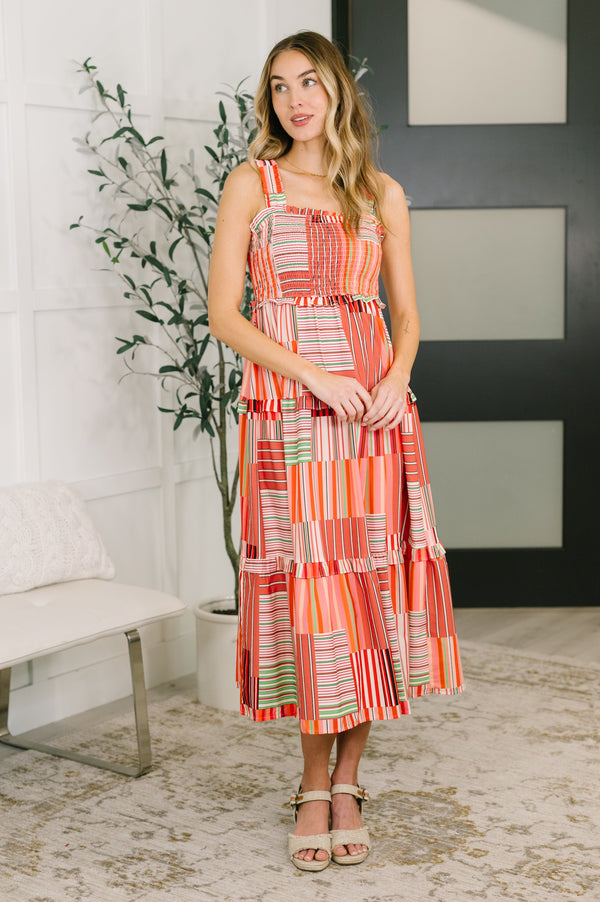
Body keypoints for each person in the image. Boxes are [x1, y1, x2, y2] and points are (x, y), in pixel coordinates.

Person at [207, 30, 464, 872]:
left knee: (367, 595)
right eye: (280, 86)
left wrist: (397, 378)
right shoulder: (253, 184)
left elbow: (407, 315)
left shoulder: (381, 193)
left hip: (374, 417)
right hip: (291, 414)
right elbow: (226, 315)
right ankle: (312, 783)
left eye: (310, 82)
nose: (296, 100)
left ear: (337, 93)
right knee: (313, 599)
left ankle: (349, 779)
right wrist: (315, 375)